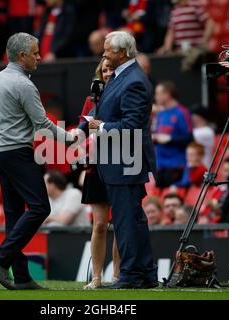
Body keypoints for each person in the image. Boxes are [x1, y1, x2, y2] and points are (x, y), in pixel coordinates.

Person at [0, 32, 73, 290]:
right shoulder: (24, 85)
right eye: (35, 52)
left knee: (13, 214)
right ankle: (0, 259)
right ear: (21, 56)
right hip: (17, 153)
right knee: (39, 208)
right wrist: (70, 139)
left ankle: (22, 277)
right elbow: (42, 124)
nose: (39, 56)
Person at [87, 31, 158, 289]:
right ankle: (147, 273)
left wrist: (101, 126)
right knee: (135, 220)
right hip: (120, 161)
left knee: (127, 221)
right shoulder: (124, 76)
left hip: (124, 161)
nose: (104, 54)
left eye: (108, 50)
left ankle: (130, 276)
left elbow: (132, 125)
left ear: (123, 53)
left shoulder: (134, 80)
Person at [79, 58, 120, 289]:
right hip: (96, 165)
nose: (107, 73)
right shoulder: (90, 100)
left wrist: (102, 125)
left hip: (122, 162)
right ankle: (96, 277)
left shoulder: (124, 94)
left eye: (111, 69)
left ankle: (117, 275)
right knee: (100, 225)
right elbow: (82, 127)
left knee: (120, 224)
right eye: (104, 69)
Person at [153, 81, 193, 188]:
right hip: (159, 165)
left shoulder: (181, 112)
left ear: (167, 94)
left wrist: (170, 139)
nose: (155, 97)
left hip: (176, 165)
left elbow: (189, 138)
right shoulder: (160, 114)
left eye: (157, 93)